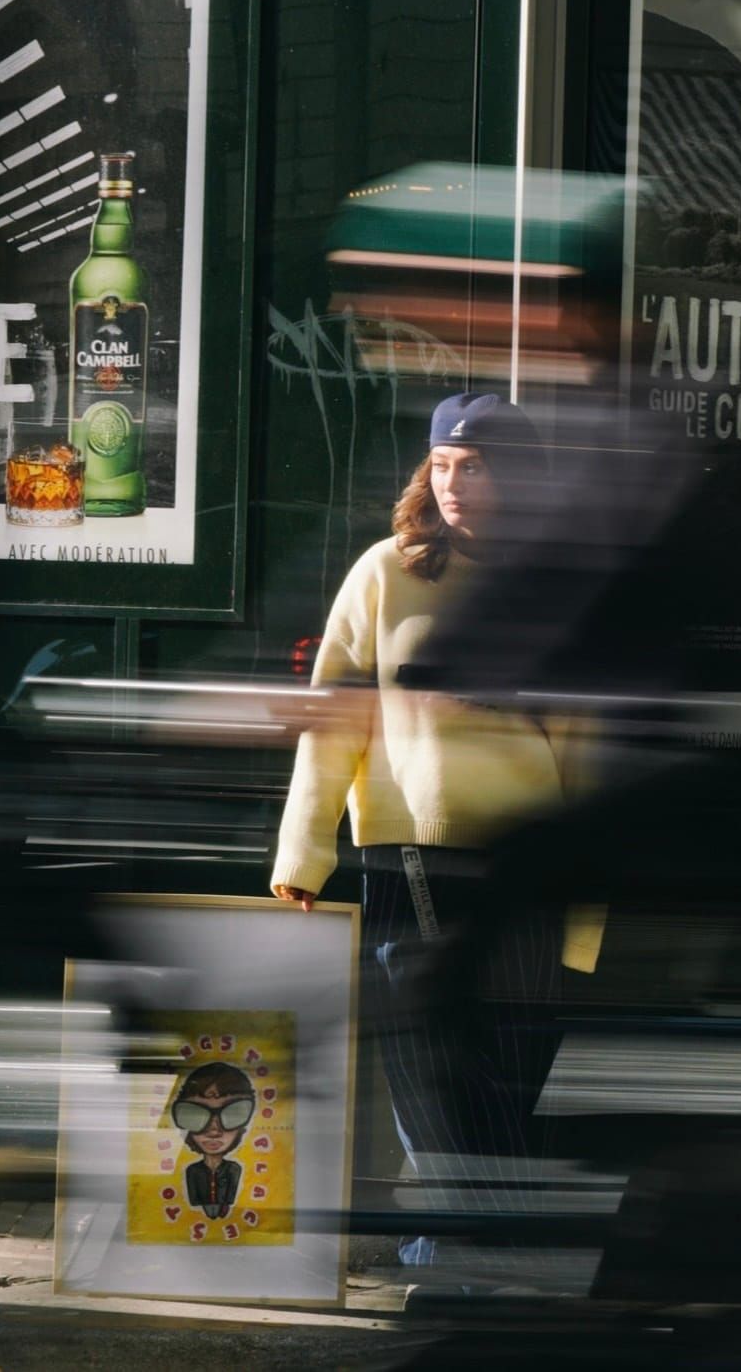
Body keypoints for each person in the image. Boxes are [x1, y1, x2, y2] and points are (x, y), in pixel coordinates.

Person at [271, 391, 604, 1276]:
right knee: (425, 1050)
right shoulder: (387, 571)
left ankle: (468, 1243)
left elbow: (587, 751)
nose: (453, 484)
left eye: (476, 466)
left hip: (528, 857)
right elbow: (332, 720)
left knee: (513, 1059)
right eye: (442, 467)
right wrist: (303, 853)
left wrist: (584, 915)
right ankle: (476, 1247)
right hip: (410, 847)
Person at [171, 1062, 257, 1220]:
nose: (214, 1130)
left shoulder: (234, 1169)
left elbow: (231, 1198)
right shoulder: (192, 1171)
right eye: (196, 1114)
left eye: (233, 1113)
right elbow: (194, 1201)